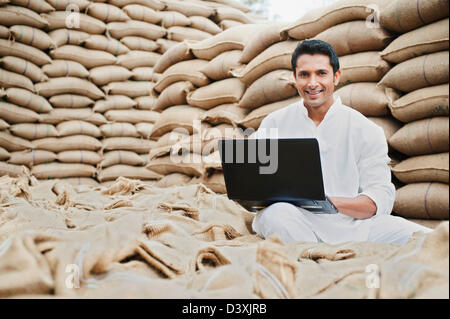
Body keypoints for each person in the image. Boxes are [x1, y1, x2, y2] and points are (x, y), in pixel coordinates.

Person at [251, 40, 433, 245]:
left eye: (321, 73)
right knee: (276, 214)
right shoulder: (274, 123)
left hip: (354, 225)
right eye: (304, 74)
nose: (312, 83)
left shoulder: (366, 130)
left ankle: (313, 252)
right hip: (292, 220)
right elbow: (252, 183)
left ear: (336, 77)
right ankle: (312, 254)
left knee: (426, 238)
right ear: (294, 78)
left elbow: (379, 196)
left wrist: (327, 203)